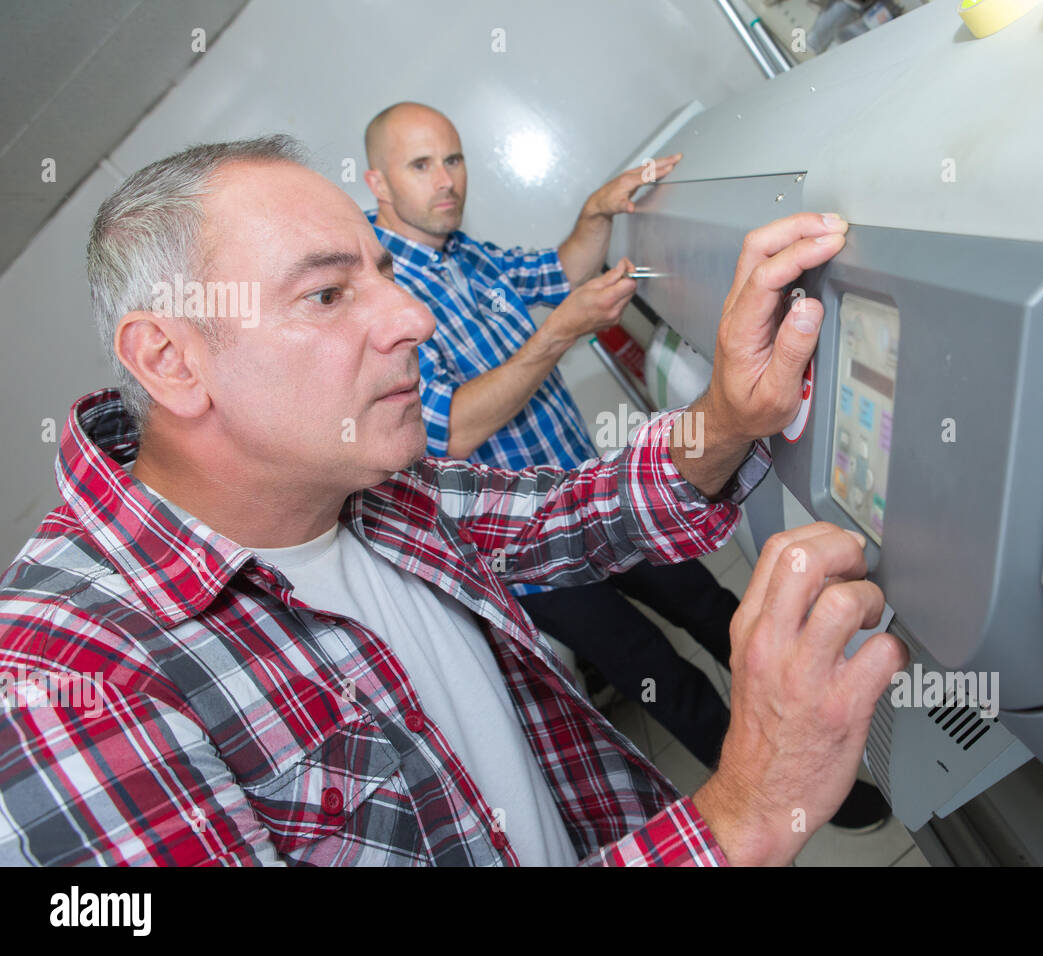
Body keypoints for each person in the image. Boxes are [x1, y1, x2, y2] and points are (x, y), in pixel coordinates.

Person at [0, 135, 906, 866]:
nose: (412, 320)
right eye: (326, 293)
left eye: (383, 275)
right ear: (171, 361)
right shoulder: (66, 690)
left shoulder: (358, 485)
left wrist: (729, 412)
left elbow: (574, 516)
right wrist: (739, 818)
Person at [361, 103, 890, 829]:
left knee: (714, 611)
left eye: (454, 160)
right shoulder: (385, 294)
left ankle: (835, 735)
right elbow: (451, 428)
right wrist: (560, 332)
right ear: (376, 181)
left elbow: (556, 269)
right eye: (422, 165)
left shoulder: (464, 253)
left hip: (596, 495)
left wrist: (594, 213)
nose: (447, 181)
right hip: (529, 554)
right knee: (656, 676)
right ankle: (786, 797)